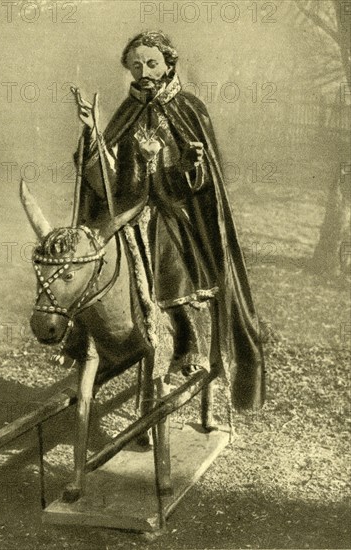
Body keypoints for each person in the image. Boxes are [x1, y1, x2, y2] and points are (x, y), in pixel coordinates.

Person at [73, 31, 265, 410]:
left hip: (172, 207)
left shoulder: (189, 108)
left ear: (168, 64)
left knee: (166, 240)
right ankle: (92, 332)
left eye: (151, 63)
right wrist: (93, 132)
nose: (143, 71)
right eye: (136, 65)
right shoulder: (125, 112)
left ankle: (185, 335)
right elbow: (108, 181)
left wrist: (188, 165)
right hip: (127, 207)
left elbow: (199, 184)